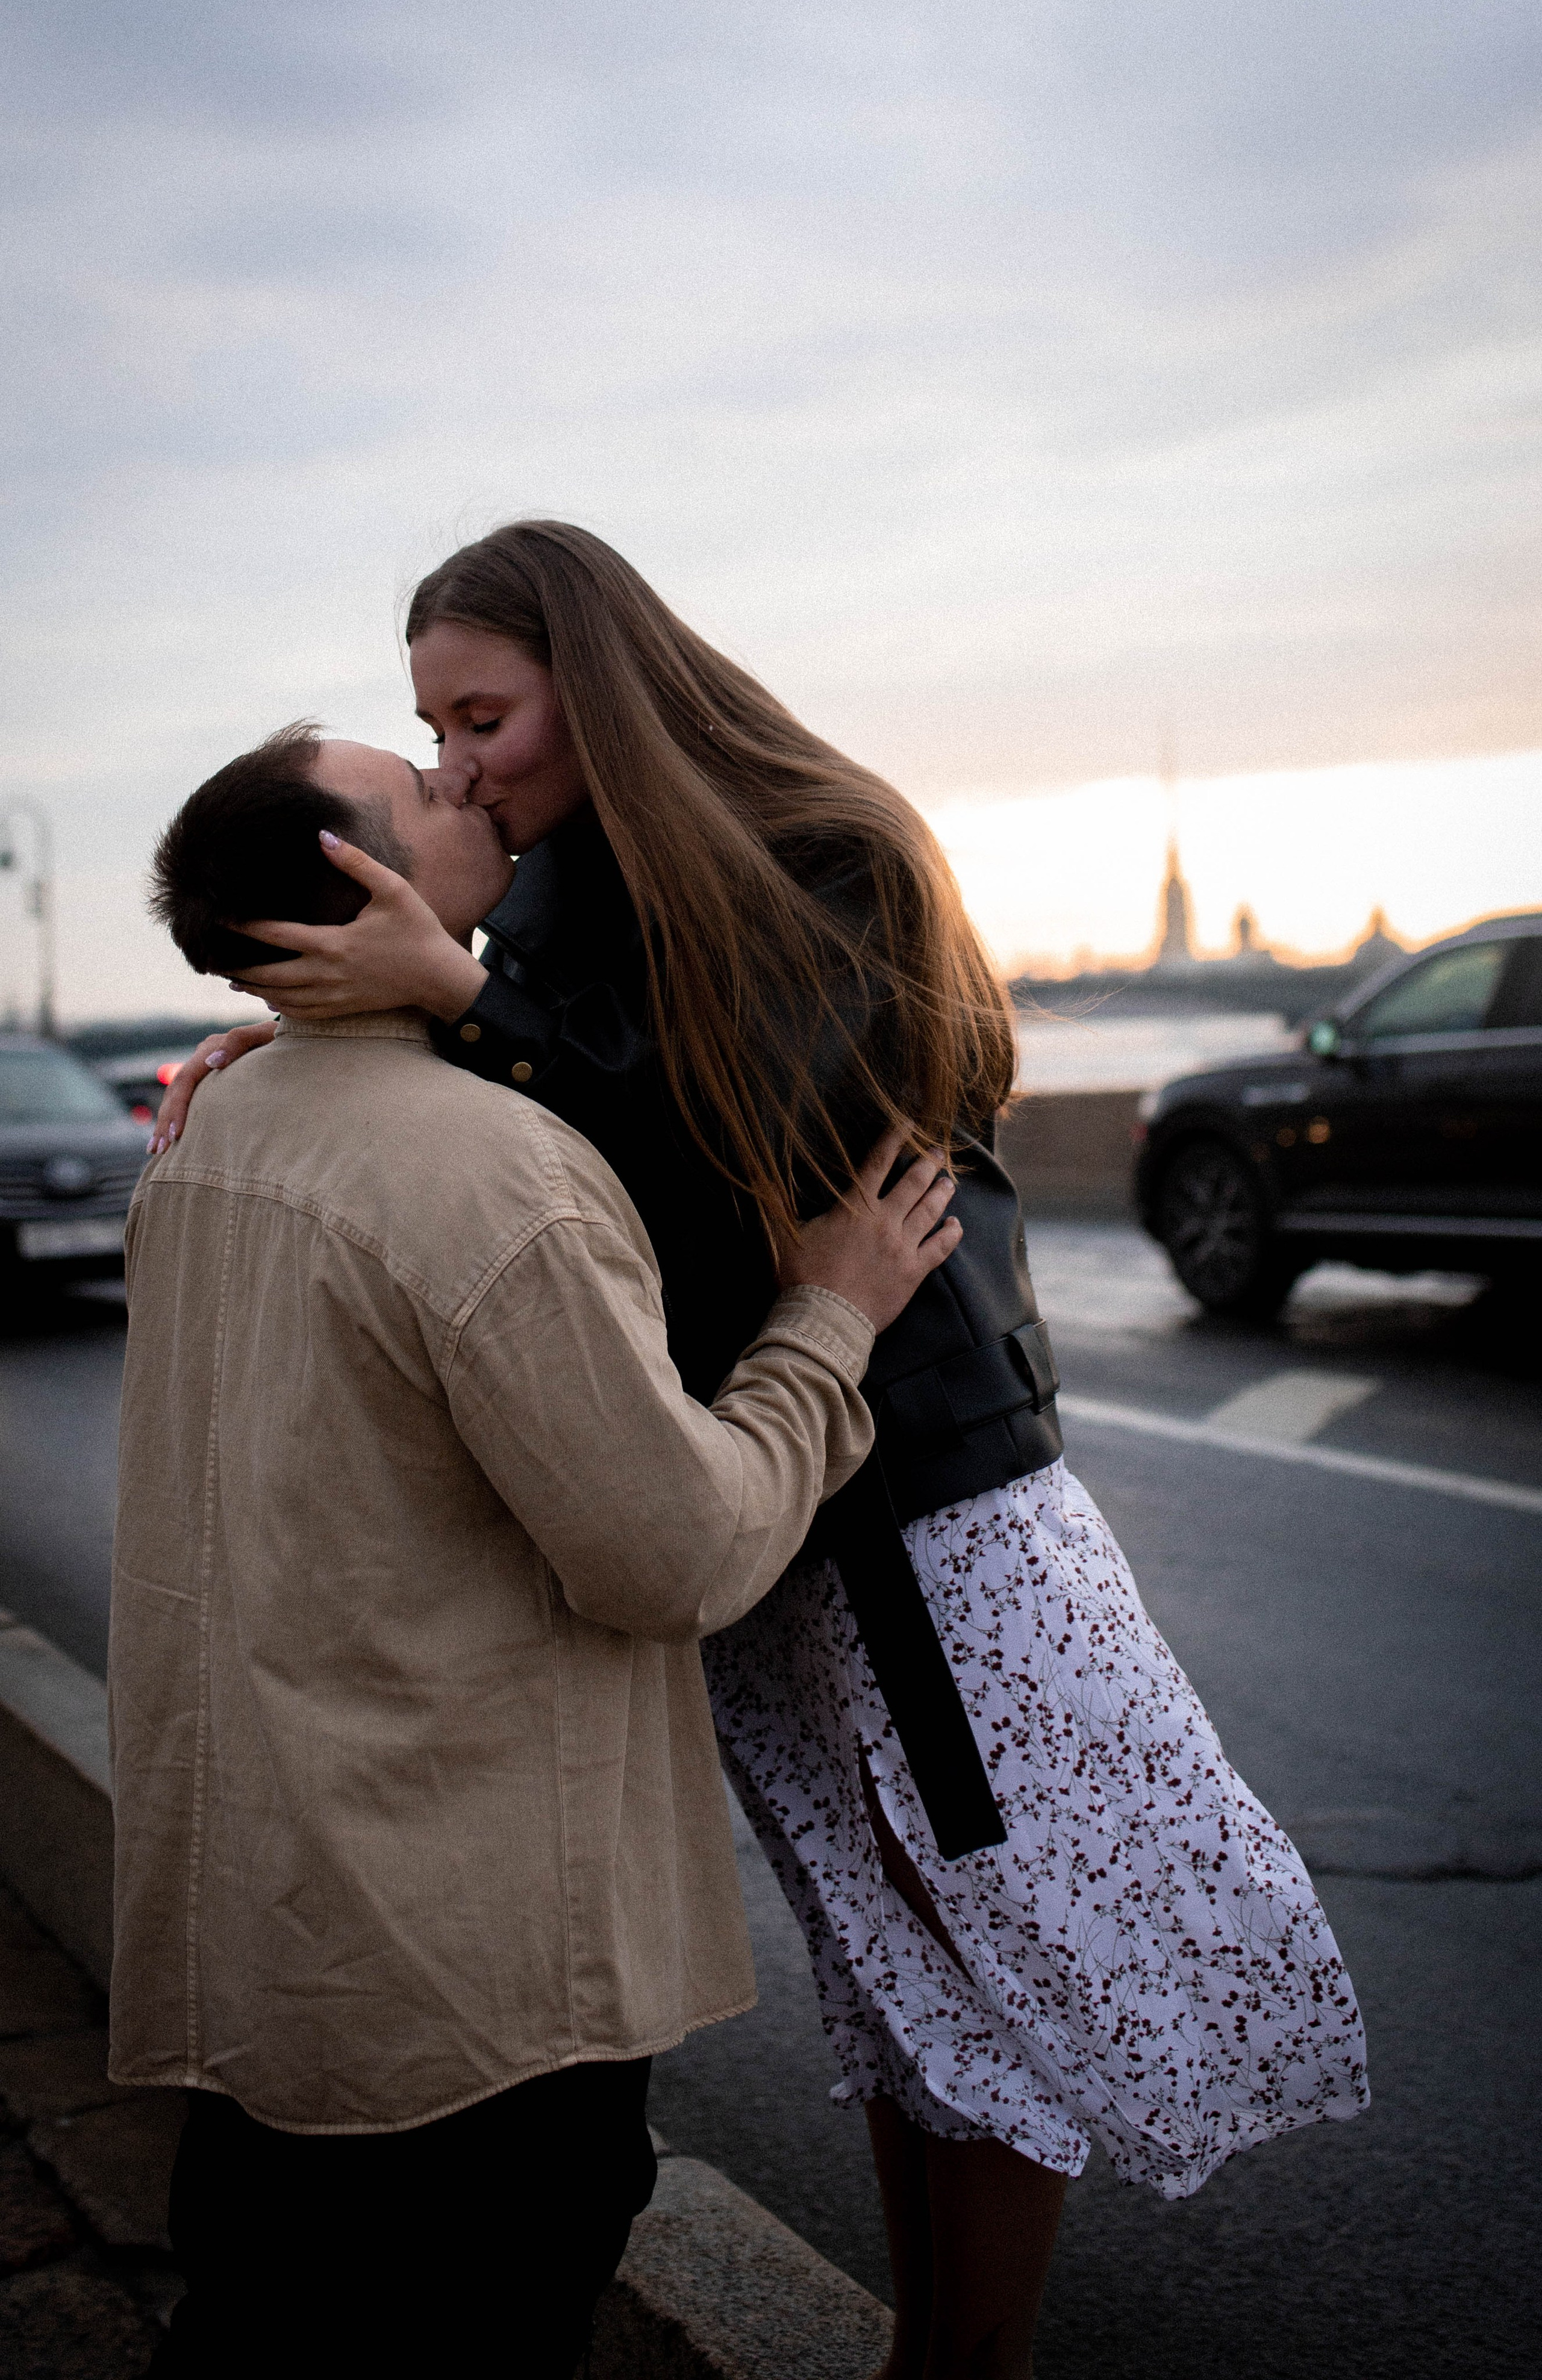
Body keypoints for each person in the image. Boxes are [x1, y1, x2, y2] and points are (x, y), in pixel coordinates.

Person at [157, 525, 1369, 2379]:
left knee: (1017, 1955)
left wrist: (463, 1002)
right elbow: (520, 1156)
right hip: (754, 1479)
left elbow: (758, 1144)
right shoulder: (539, 895)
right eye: (433, 732)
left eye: (482, 715)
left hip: (922, 1488)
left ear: (603, 676)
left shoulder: (824, 850)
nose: (465, 764)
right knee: (897, 1976)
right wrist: (311, 1030)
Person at [116, 721, 962, 2379]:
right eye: (421, 788)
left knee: (255, 2320)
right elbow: (679, 1553)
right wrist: (828, 1322)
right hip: (466, 1983)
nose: (466, 786)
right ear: (364, 880)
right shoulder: (495, 1175)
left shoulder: (206, 1134)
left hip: (274, 1935)